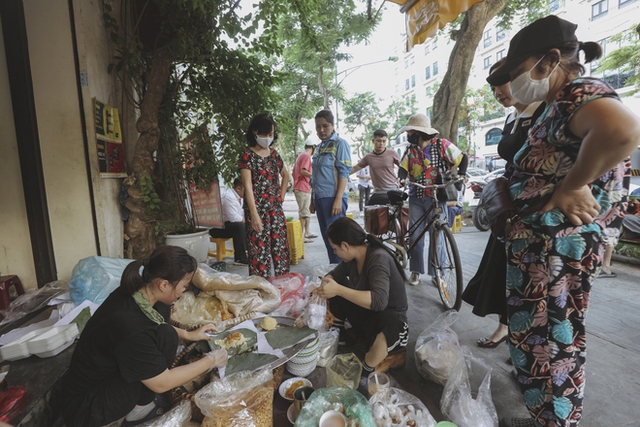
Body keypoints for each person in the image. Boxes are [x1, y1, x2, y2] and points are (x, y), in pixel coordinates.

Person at [486, 15, 640, 427]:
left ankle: (557, 420)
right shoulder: (556, 102)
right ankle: (544, 414)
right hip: (537, 255)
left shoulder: (579, 94)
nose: (512, 83)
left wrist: (574, 185)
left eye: (515, 72)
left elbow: (623, 129)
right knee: (541, 341)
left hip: (553, 256)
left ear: (549, 60)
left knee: (555, 345)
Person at [59, 246, 228, 427]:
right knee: (149, 373)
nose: (184, 291)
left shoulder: (140, 293)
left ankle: (141, 406)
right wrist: (211, 360)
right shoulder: (130, 326)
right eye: (184, 286)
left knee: (167, 333)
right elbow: (162, 383)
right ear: (163, 284)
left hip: (105, 374)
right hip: (88, 406)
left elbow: (158, 326)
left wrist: (189, 334)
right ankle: (134, 414)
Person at [462, 58, 545, 349]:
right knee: (502, 270)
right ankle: (504, 329)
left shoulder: (544, 111)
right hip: (507, 206)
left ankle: (524, 341)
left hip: (533, 207)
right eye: (494, 88)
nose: (499, 93)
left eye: (503, 85)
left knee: (529, 278)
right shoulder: (511, 118)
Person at [314, 217, 408, 386]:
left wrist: (338, 290)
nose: (335, 253)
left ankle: (368, 367)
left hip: (389, 323)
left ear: (345, 245)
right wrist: (324, 286)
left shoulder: (378, 258)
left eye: (335, 249)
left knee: (388, 321)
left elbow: (379, 302)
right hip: (368, 316)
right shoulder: (351, 259)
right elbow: (334, 275)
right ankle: (339, 334)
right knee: (337, 285)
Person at [397, 113, 468, 286]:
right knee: (415, 236)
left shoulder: (441, 145)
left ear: (419, 133)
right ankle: (415, 271)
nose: (408, 135)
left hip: (437, 198)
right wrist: (401, 178)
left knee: (438, 237)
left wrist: (462, 174)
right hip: (416, 197)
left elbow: (462, 158)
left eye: (411, 132)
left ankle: (438, 273)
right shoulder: (411, 150)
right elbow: (403, 167)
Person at [239, 114, 290, 278]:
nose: (268, 138)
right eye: (265, 134)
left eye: (271, 135)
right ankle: (262, 292)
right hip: (257, 211)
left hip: (275, 211)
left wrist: (280, 199)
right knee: (259, 254)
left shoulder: (274, 154)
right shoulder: (247, 155)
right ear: (255, 132)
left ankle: (284, 289)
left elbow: (286, 176)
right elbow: (247, 186)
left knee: (280, 250)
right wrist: (253, 215)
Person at [311, 109, 352, 264]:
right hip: (320, 198)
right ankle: (334, 270)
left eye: (325, 126)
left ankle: (343, 275)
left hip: (334, 198)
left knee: (338, 242)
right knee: (329, 240)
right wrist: (312, 199)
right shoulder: (319, 147)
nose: (321, 130)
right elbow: (315, 176)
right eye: (318, 126)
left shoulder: (340, 144)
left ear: (333, 126)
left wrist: (338, 199)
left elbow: (344, 173)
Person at [351, 129, 401, 206]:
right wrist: (341, 176)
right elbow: (355, 168)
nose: (381, 143)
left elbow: (403, 167)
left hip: (392, 190)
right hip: (377, 192)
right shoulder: (368, 157)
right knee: (369, 213)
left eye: (384, 141)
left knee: (396, 214)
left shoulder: (392, 153)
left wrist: (402, 178)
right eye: (378, 141)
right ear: (373, 141)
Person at [208, 178, 249, 265]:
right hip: (218, 228)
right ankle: (240, 258)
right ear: (238, 188)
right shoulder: (229, 197)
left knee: (246, 224)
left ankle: (248, 252)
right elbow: (233, 217)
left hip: (229, 225)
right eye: (247, 189)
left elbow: (242, 214)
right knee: (240, 226)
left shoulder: (239, 197)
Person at [293, 140, 318, 242]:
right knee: (304, 213)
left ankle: (307, 232)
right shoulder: (306, 156)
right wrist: (315, 176)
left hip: (302, 187)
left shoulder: (301, 156)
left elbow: (294, 172)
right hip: (302, 187)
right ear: (313, 146)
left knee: (305, 212)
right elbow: (303, 171)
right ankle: (301, 236)